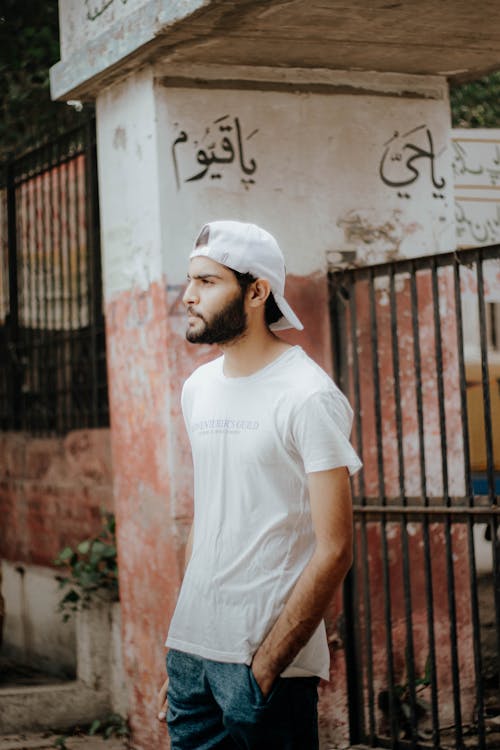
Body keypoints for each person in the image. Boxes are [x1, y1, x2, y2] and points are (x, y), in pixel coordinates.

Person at [157, 220, 361, 749]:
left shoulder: (307, 396)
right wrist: (186, 645)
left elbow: (336, 547)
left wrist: (266, 666)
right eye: (189, 281)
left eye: (207, 281)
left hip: (262, 667)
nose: (189, 296)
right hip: (192, 657)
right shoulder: (198, 388)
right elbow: (210, 520)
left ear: (256, 291)